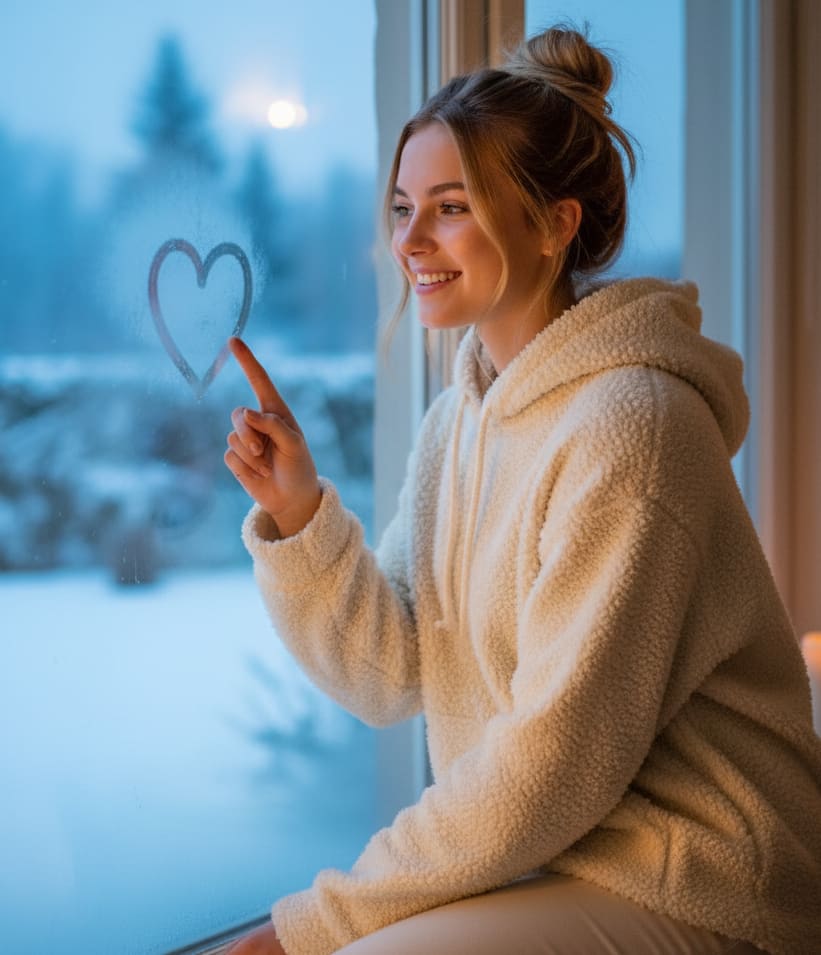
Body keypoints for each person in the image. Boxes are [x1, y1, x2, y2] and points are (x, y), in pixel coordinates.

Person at [222, 24, 821, 955]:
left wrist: (313, 923)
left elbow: (551, 771)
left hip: (704, 878)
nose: (409, 240)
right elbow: (393, 676)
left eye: (449, 207)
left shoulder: (634, 428)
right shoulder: (460, 418)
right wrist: (300, 515)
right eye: (400, 206)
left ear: (553, 223)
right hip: (562, 855)